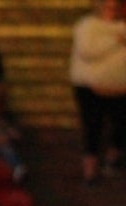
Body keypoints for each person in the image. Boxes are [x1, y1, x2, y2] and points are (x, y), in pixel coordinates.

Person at [70, 0, 126, 183]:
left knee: (120, 124)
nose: (111, 11)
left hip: (120, 87)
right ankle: (90, 170)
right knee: (93, 126)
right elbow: (88, 50)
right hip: (90, 86)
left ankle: (113, 159)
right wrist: (116, 41)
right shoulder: (88, 26)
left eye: (115, 7)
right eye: (108, 7)